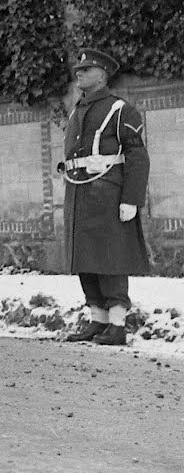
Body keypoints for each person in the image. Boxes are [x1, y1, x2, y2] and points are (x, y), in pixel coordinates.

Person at [60, 48, 151, 347]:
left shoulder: (121, 109)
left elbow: (137, 156)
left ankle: (117, 324)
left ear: (103, 75)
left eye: (86, 69)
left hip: (108, 193)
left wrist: (132, 199)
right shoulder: (77, 109)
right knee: (84, 257)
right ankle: (97, 319)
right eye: (78, 69)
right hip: (79, 191)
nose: (79, 73)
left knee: (111, 258)